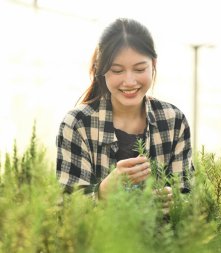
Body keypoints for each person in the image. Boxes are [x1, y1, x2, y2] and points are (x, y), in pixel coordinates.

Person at [56, 18, 193, 204]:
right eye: (117, 71)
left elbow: (189, 198)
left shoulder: (173, 121)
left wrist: (174, 202)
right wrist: (103, 192)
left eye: (139, 69)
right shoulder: (77, 124)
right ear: (101, 70)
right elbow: (67, 211)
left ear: (153, 64)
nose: (129, 81)